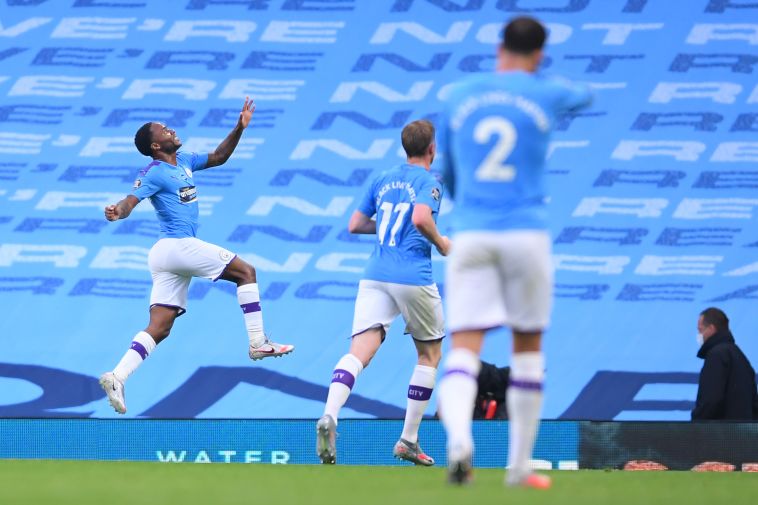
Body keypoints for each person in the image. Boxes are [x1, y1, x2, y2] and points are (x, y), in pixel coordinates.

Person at [435, 16, 592, 487]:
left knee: (464, 345)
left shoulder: (459, 95)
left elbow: (451, 174)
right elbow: (583, 95)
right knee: (527, 348)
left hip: (472, 232)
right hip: (526, 232)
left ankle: (459, 439)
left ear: (498, 46)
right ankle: (519, 466)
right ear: (540, 54)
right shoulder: (546, 92)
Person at [99, 97, 294, 415]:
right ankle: (258, 343)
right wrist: (117, 211)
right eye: (163, 130)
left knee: (160, 326)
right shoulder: (154, 171)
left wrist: (239, 127)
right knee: (246, 272)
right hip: (176, 246)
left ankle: (117, 376)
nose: (170, 129)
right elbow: (131, 200)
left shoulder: (185, 159)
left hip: (169, 256)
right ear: (154, 146)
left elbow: (218, 157)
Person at [316, 119, 450, 466]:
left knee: (358, 352)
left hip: (375, 274)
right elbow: (421, 218)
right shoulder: (428, 182)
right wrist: (442, 242)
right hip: (412, 275)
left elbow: (355, 224)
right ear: (431, 149)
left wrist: (390, 227)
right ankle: (408, 439)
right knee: (429, 355)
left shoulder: (382, 177)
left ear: (404, 147)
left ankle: (330, 414)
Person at [692, 307, 758, 421]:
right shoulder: (739, 356)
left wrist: (696, 423)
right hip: (743, 434)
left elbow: (710, 400)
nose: (699, 335)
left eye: (700, 330)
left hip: (720, 435)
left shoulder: (716, 355)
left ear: (711, 328)